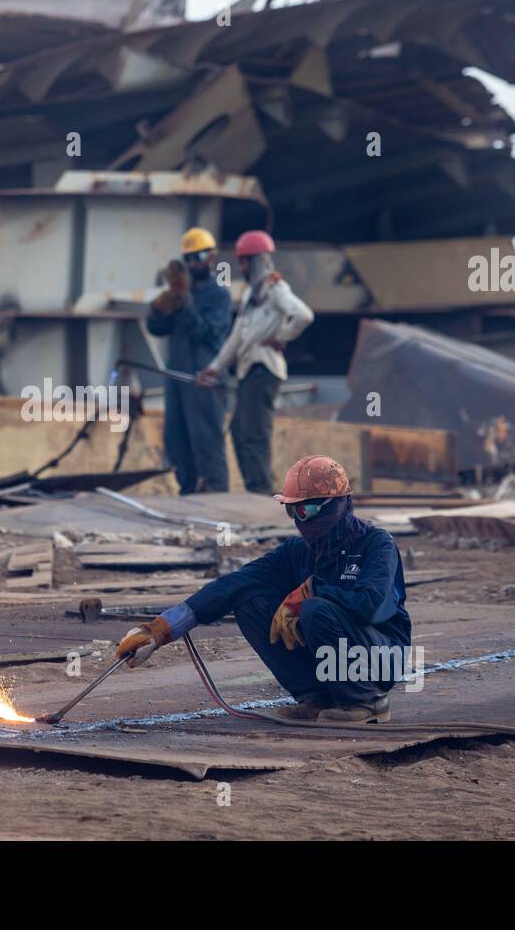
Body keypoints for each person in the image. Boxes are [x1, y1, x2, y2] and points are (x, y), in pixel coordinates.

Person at [113, 455, 410, 724]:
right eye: (291, 511)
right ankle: (315, 698)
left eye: (304, 510)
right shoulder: (298, 551)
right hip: (339, 650)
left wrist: (313, 590)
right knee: (250, 601)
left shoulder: (376, 545)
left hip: (378, 655)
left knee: (315, 608)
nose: (298, 521)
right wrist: (162, 628)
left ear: (338, 504)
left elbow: (371, 605)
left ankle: (365, 700)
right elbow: (236, 583)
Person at [197, 230, 314, 494]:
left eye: (245, 261)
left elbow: (303, 315)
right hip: (249, 371)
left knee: (254, 433)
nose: (242, 267)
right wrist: (214, 368)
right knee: (240, 431)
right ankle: (254, 488)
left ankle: (260, 492)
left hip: (264, 370)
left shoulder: (275, 289)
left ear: (256, 261)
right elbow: (238, 336)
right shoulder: (253, 294)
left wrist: (281, 337)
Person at [145, 227, 233, 494]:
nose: (195, 262)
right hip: (177, 376)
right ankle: (188, 491)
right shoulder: (179, 293)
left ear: (212, 257)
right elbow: (157, 329)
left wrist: (185, 305)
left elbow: (208, 332)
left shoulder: (219, 295)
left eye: (200, 255)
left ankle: (216, 494)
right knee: (176, 439)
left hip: (204, 377)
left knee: (206, 437)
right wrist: (159, 308)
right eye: (190, 257)